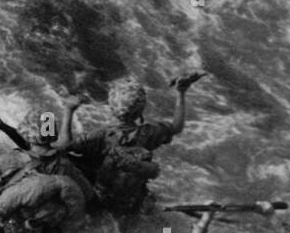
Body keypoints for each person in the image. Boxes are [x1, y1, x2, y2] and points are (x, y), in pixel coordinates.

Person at [72, 74, 202, 221]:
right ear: (141, 111)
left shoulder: (102, 135)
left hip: (101, 199)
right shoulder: (149, 133)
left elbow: (65, 146)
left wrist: (69, 111)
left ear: (111, 108)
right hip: (131, 201)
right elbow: (177, 127)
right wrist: (181, 92)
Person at [0, 103, 93, 233]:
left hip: (13, 224)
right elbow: (87, 194)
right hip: (46, 226)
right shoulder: (65, 163)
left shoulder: (12, 159)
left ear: (27, 134)